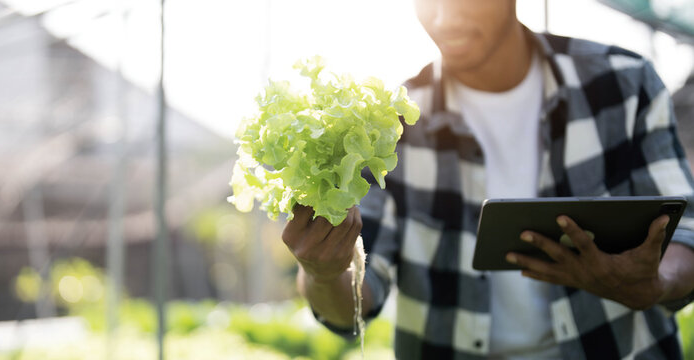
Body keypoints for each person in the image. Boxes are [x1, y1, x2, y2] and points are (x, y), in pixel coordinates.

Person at [281, 0, 694, 358]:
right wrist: (323, 273)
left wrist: (657, 283)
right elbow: (357, 296)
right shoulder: (388, 127)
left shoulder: (623, 83)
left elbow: (687, 232)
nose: (443, 18)